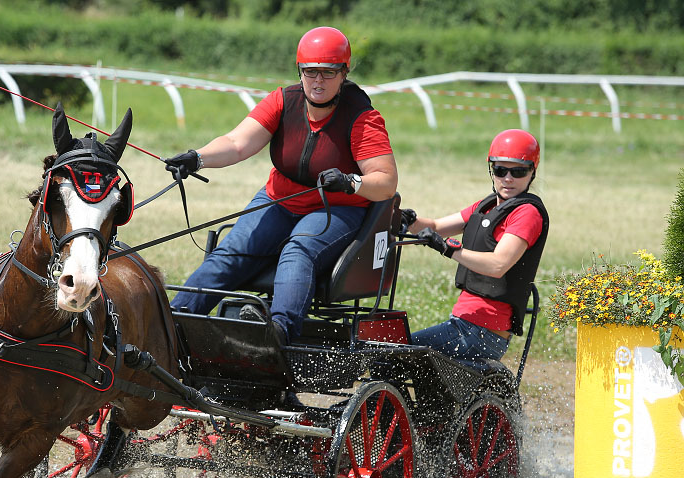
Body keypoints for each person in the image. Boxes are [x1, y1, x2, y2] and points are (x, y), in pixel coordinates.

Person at [164, 26, 398, 344]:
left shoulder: (363, 118)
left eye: (328, 72)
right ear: (299, 71)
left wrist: (349, 181)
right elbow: (236, 143)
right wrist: (198, 158)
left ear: (344, 72)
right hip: (279, 199)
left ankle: (277, 336)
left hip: (337, 207)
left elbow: (385, 183)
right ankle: (171, 328)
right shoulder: (282, 101)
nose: (318, 81)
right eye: (310, 71)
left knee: (298, 249)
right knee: (229, 253)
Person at [405, 129, 549, 370]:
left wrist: (450, 250)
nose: (508, 178)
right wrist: (406, 219)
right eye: (500, 170)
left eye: (518, 171)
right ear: (491, 170)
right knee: (395, 351)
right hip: (464, 325)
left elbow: (498, 264)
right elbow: (438, 226)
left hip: (481, 334)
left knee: (395, 353)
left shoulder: (527, 213)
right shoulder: (487, 206)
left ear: (532, 171)